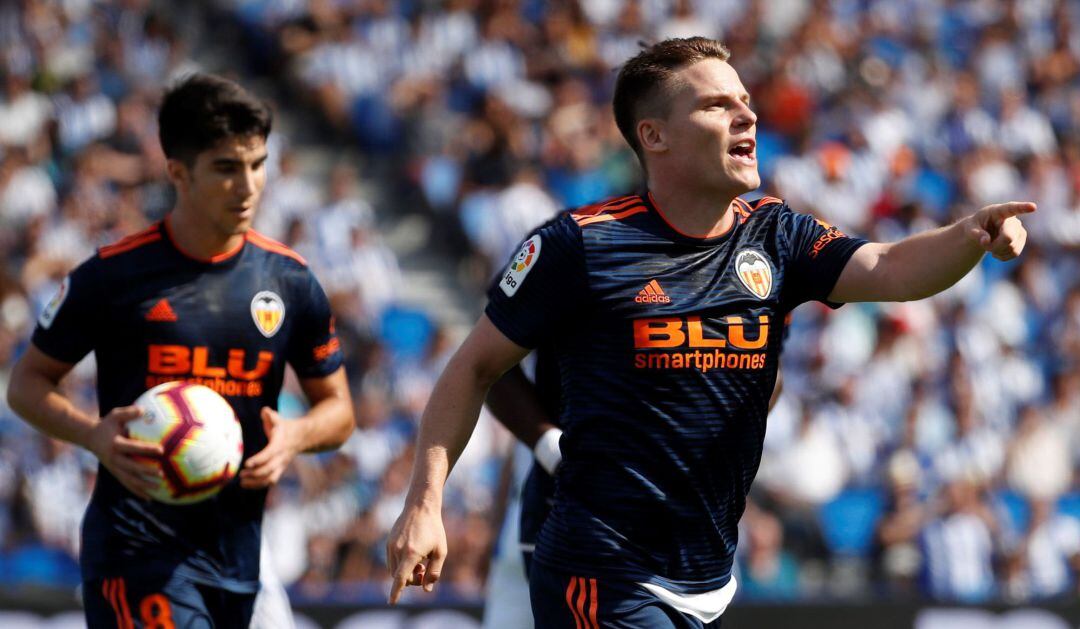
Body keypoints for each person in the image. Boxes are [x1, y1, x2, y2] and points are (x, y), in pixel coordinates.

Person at [386, 37, 1032, 627]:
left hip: (708, 575)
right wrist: (425, 503)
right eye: (717, 106)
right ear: (655, 135)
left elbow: (889, 267)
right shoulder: (580, 244)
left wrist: (970, 232)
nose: (746, 116)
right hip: (604, 569)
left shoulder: (777, 234)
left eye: (745, 102)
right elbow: (473, 367)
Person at [6, 73, 354, 628]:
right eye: (226, 168)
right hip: (136, 551)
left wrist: (295, 436)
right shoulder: (113, 277)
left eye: (257, 164)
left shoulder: (289, 281)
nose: (248, 186)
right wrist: (91, 434)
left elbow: (338, 410)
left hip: (241, 558)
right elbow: (26, 383)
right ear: (178, 173)